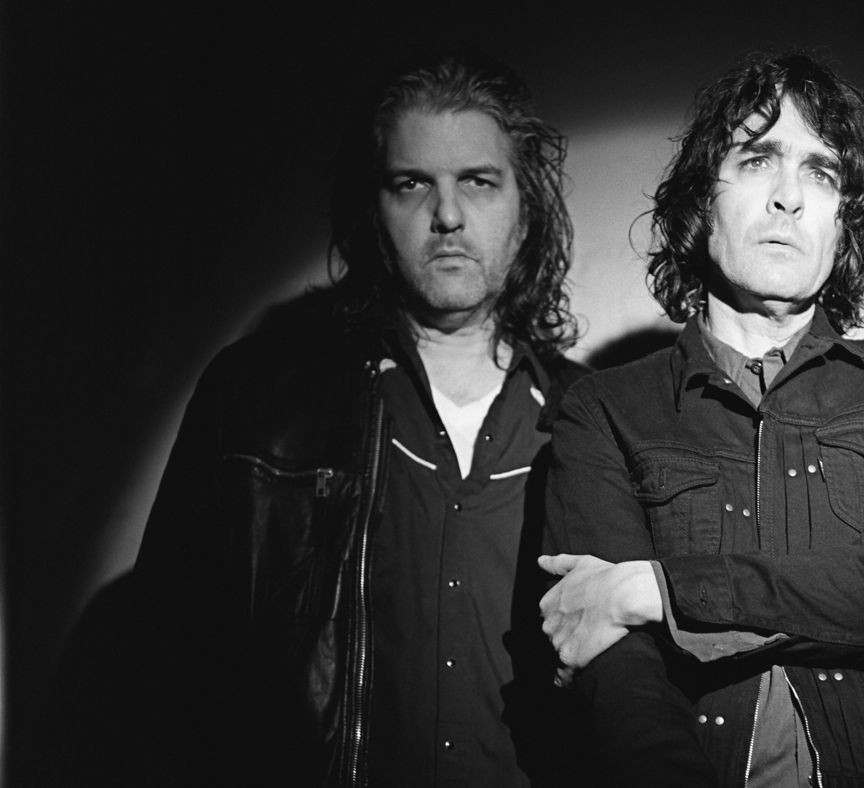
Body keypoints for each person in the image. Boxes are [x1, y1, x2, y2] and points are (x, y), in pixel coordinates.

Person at [127, 45, 588, 785]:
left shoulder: (588, 420)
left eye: (478, 181)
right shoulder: (255, 397)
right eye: (412, 184)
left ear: (525, 207)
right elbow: (164, 667)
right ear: (375, 210)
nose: (447, 215)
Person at [536, 50, 864, 786]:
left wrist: (658, 590)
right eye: (757, 160)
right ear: (700, 202)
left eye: (820, 173)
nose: (789, 198)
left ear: (844, 224)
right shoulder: (602, 408)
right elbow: (614, 669)